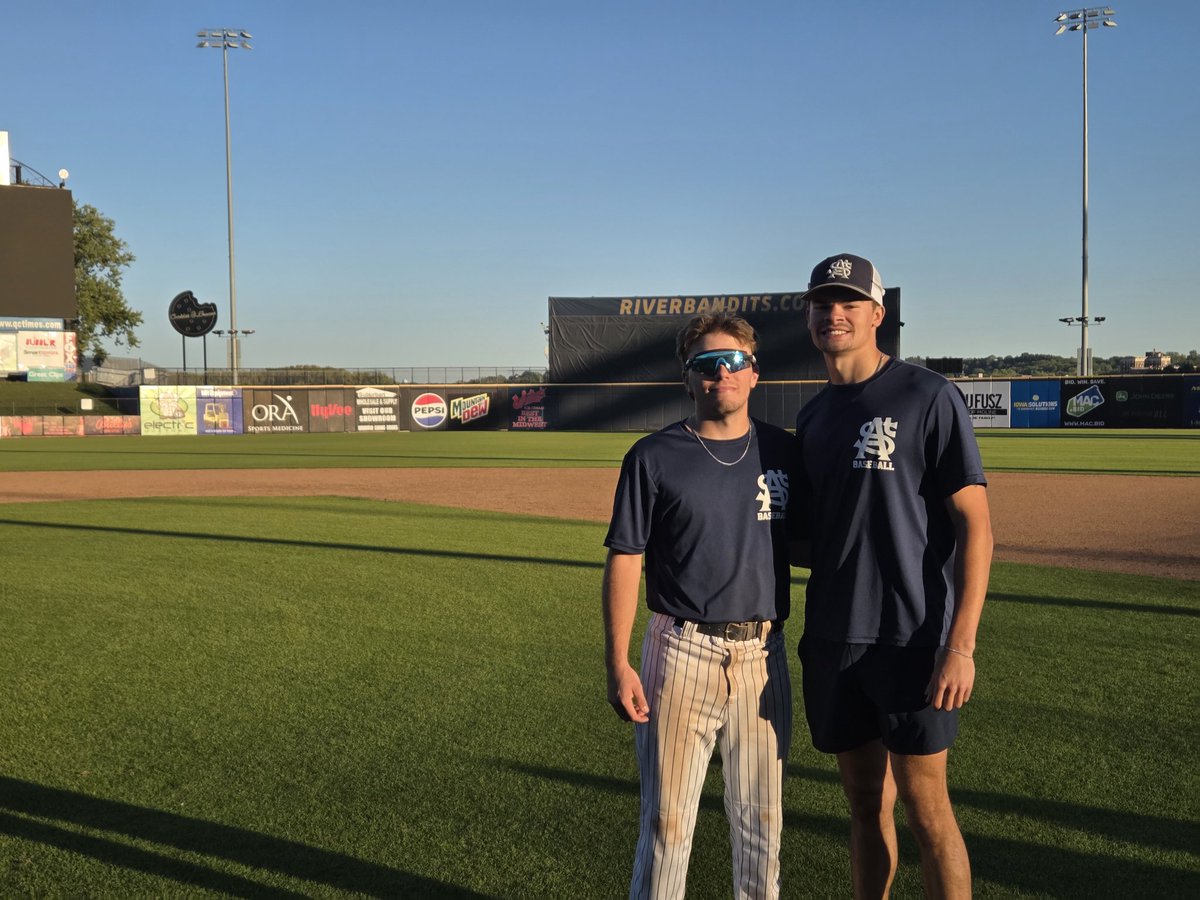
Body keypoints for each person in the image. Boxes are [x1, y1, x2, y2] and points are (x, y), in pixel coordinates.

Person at [791, 253, 994, 899]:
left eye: (849, 302)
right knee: (861, 804)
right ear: (810, 316)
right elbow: (821, 535)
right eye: (824, 302)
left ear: (879, 314)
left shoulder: (926, 395)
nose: (835, 313)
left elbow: (977, 528)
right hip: (834, 634)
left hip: (912, 637)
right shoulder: (814, 416)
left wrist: (960, 646)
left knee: (927, 808)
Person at [603, 312, 797, 899]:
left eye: (733, 361)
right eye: (705, 366)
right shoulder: (653, 456)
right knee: (667, 826)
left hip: (764, 656)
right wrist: (616, 662)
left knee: (762, 828)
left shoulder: (784, 451)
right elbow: (625, 558)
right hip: (681, 650)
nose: (721, 374)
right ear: (688, 380)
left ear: (754, 373)